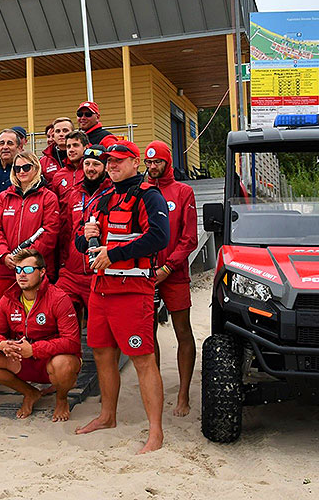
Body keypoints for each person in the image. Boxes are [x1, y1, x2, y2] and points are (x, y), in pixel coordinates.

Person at [74, 140, 170, 454]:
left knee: (143, 358)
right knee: (102, 354)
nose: (112, 165)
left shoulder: (148, 195)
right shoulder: (104, 198)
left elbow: (159, 237)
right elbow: (82, 244)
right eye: (109, 161)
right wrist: (85, 237)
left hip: (132, 289)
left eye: (118, 160)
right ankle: (107, 416)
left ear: (134, 162)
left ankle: (155, 431)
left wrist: (114, 254)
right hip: (100, 289)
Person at [0, 248, 81, 421]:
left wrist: (34, 349)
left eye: (28, 269)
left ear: (42, 272)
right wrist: (1, 344)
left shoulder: (59, 298)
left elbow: (72, 342)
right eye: (18, 270)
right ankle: (30, 393)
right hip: (21, 358)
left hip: (49, 360)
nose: (22, 274)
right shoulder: (8, 298)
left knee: (64, 364)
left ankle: (61, 399)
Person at [143, 140, 198, 417]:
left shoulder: (183, 191)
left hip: (174, 275)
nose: (153, 167)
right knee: (149, 333)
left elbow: (189, 238)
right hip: (146, 274)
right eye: (149, 162)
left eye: (158, 162)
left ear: (168, 162)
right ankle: (156, 390)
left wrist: (167, 268)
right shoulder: (141, 191)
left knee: (182, 331)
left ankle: (183, 393)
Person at [0, 151, 60, 300]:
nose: (21, 171)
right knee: (4, 311)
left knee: (35, 311)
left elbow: (50, 233)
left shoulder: (48, 197)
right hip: (6, 269)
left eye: (26, 167)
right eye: (17, 168)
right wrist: (3, 255)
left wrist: (25, 260)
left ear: (36, 168)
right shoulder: (4, 197)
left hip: (34, 269)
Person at [56, 145, 112, 315]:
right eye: (87, 164)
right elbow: (66, 231)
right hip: (72, 271)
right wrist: (64, 261)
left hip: (99, 271)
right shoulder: (74, 193)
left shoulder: (113, 192)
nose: (90, 168)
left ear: (105, 167)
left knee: (97, 322)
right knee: (59, 310)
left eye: (96, 164)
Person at [51, 130, 89, 198]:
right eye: (68, 146)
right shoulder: (58, 176)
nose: (71, 149)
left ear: (86, 147)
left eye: (75, 145)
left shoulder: (92, 171)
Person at [40, 117, 73, 184]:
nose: (61, 134)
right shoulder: (43, 161)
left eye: (65, 131)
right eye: (58, 131)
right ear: (54, 135)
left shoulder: (81, 156)